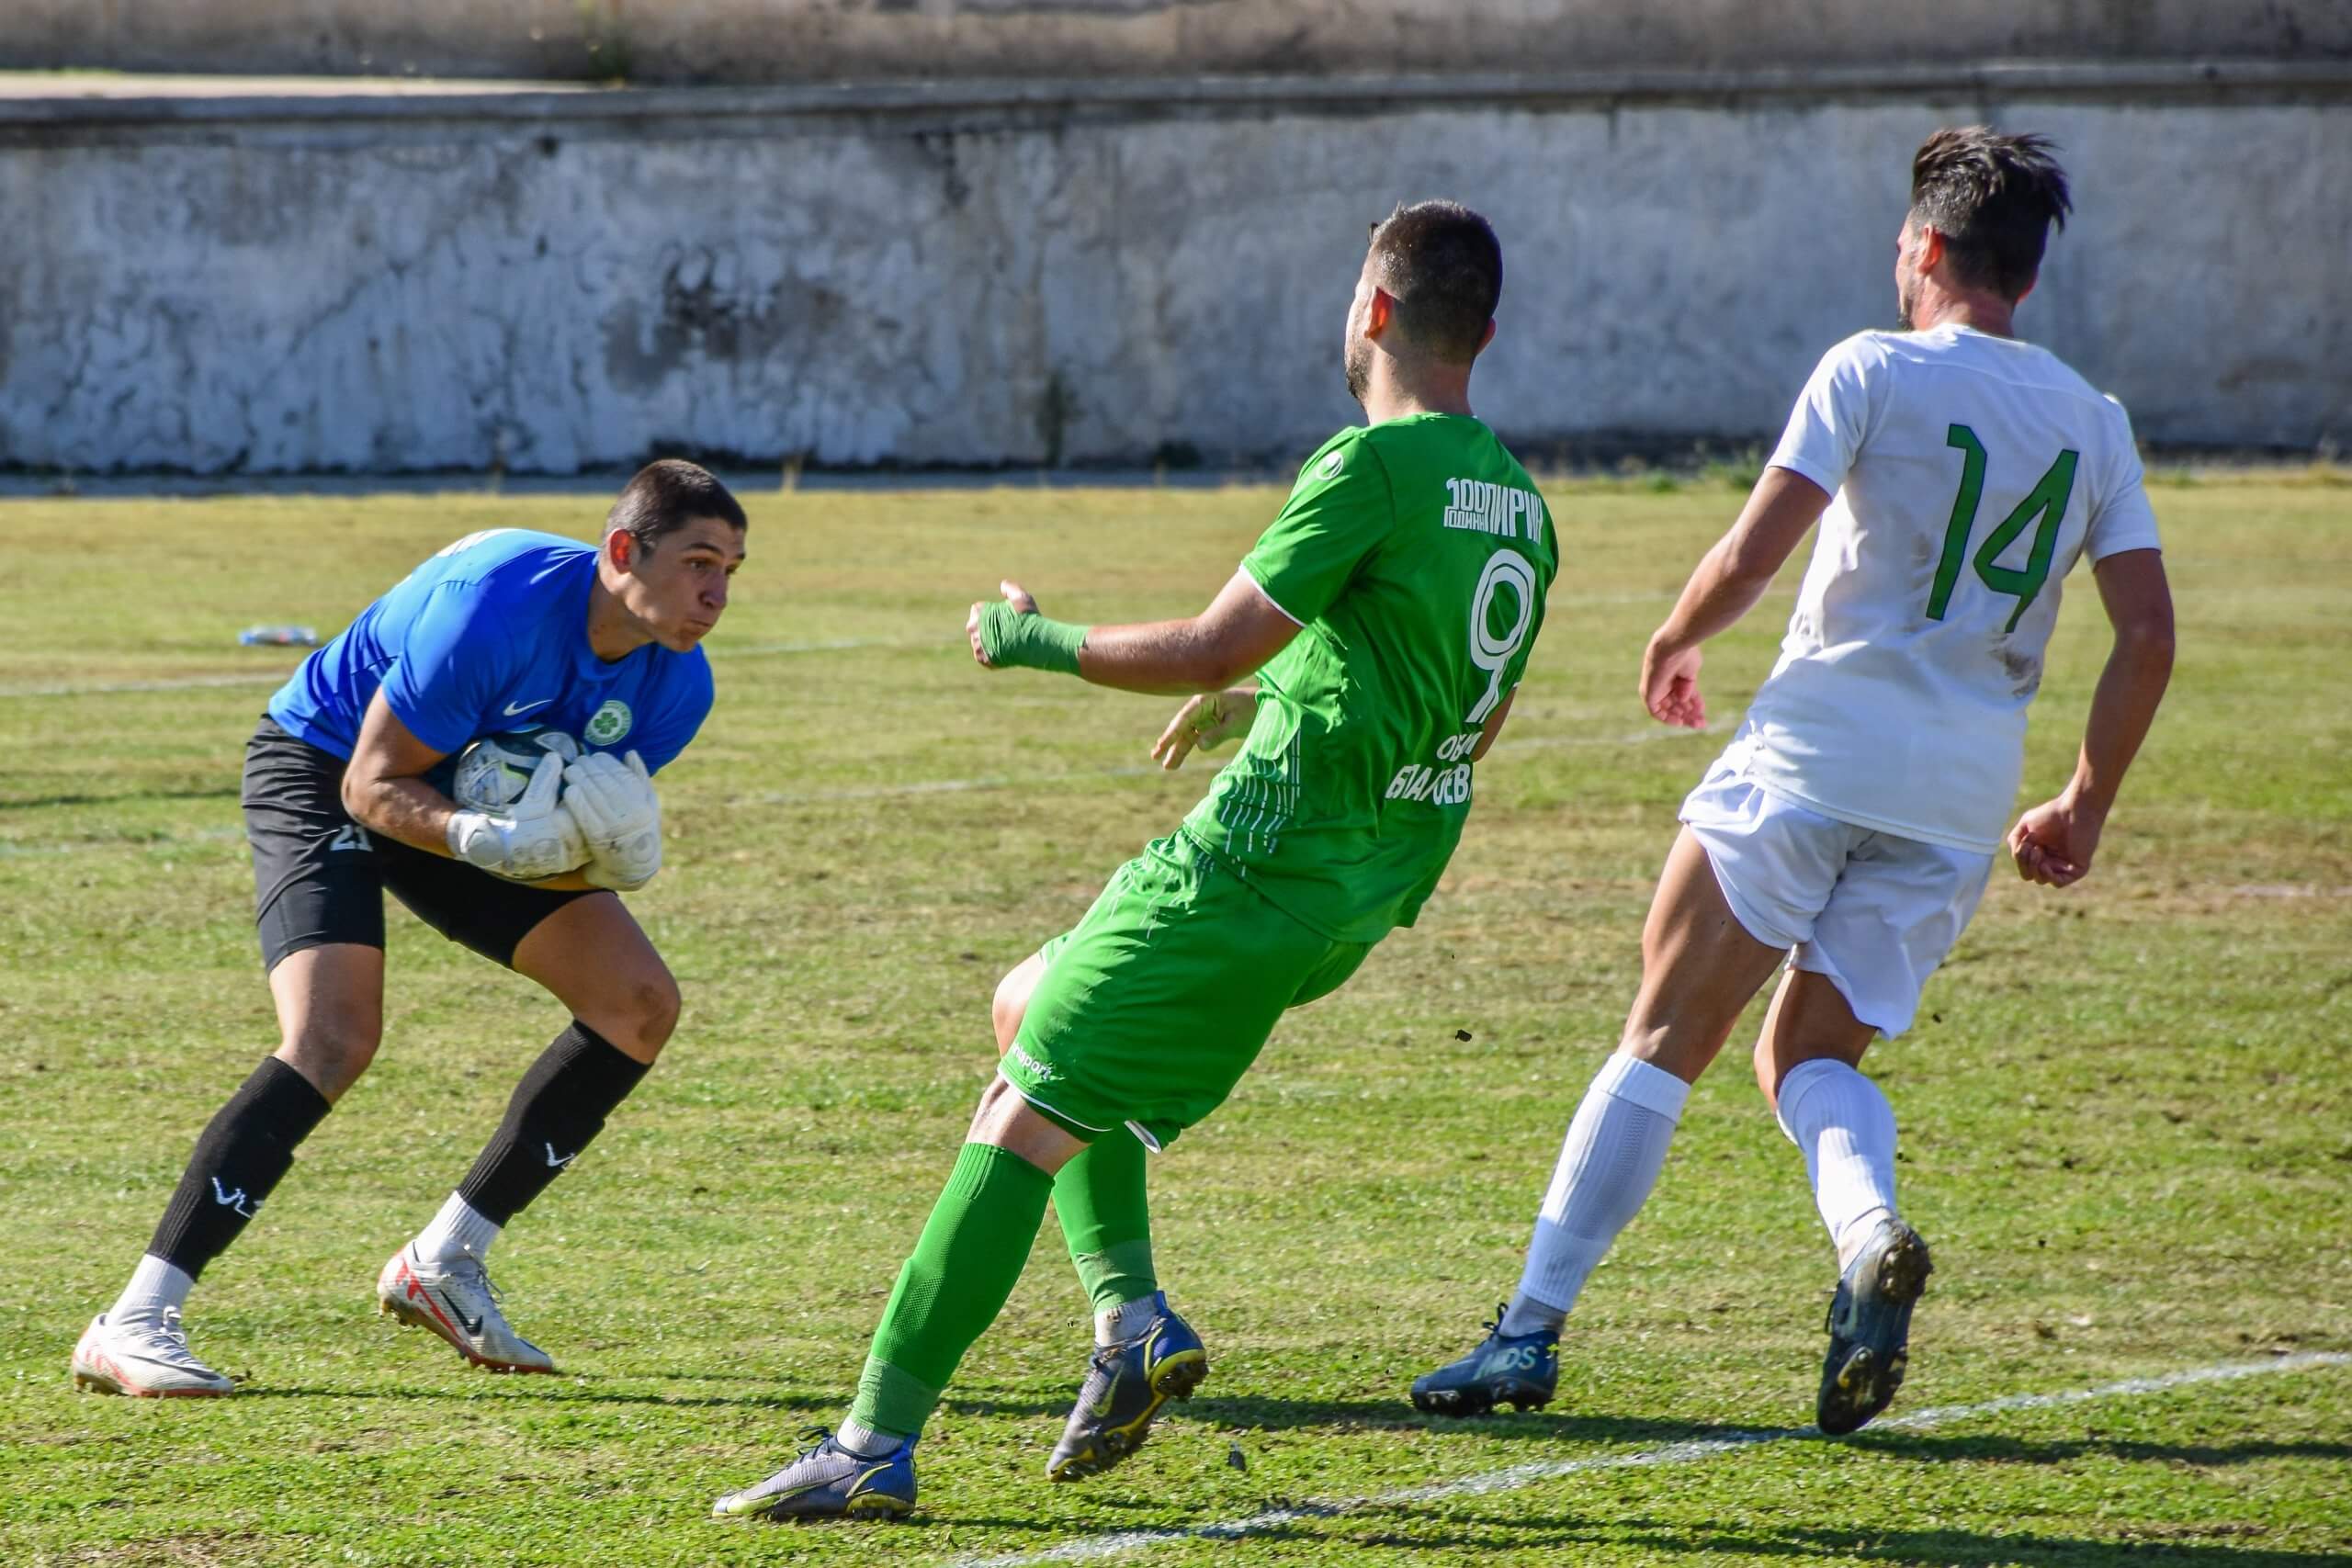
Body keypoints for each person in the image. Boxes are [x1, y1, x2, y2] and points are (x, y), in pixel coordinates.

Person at [710, 200, 1556, 1521]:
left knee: (1019, 1114)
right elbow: (1466, 710)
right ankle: (1133, 1323)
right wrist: (1278, 699)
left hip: (1250, 874)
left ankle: (872, 1443)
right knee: (1024, 1001)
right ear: (1487, 333)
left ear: (1373, 312)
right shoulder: (1519, 503)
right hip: (1359, 891)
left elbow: (1215, 638)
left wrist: (1029, 640)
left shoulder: (1370, 466)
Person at [1411, 127, 2175, 1436]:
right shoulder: (2092, 419)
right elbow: (2148, 633)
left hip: (1816, 753)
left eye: (1899, 244)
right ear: (2028, 279)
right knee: (1804, 1053)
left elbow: (1758, 544)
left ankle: (1527, 1331)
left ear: (1927, 249)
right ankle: (1867, 1233)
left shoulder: (1869, 367)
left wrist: (1675, 635)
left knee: (1664, 1033)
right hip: (1958, 795)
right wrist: (2083, 801)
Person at [71, 459, 748, 1396]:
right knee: (331, 1036)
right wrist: (481, 835)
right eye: (698, 563)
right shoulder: (496, 607)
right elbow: (370, 784)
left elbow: (557, 830)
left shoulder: (679, 687)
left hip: (460, 797)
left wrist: (594, 850)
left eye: (731, 572)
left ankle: (442, 1263)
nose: (715, 595)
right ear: (624, 550)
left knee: (637, 1004)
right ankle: (134, 1319)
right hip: (329, 764)